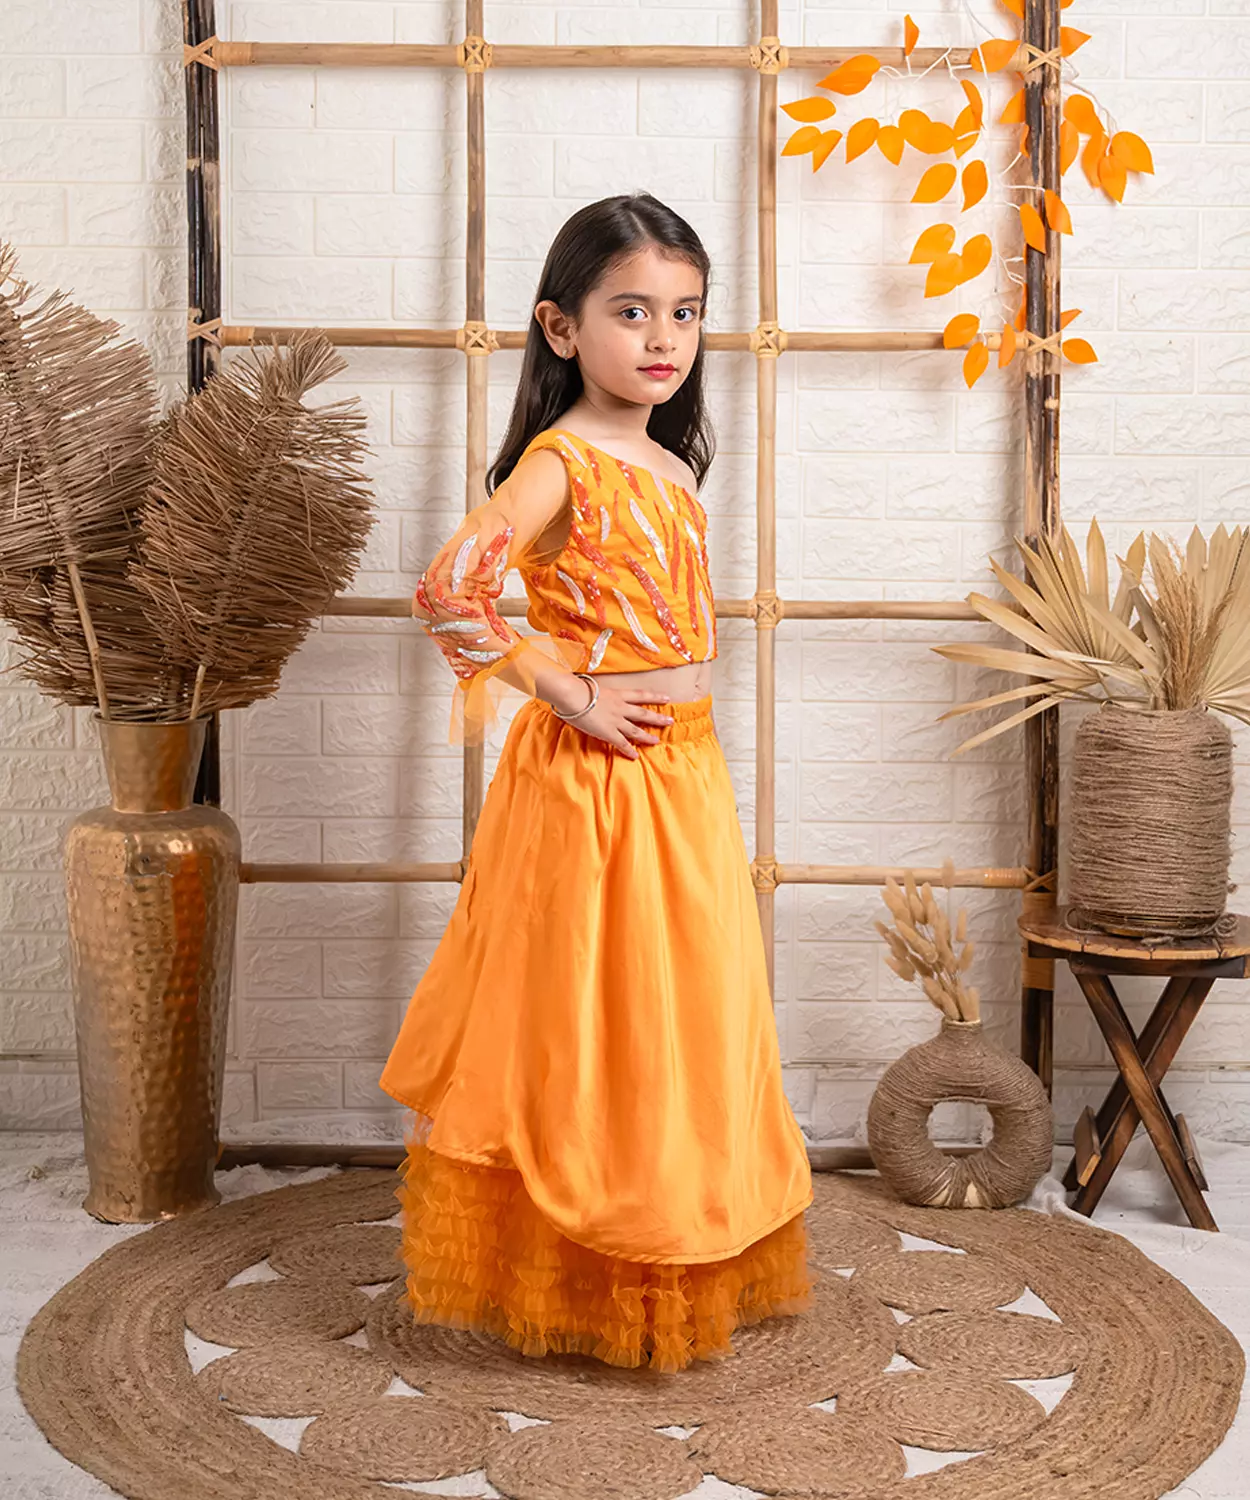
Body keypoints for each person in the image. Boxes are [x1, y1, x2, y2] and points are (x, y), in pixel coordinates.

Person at [378, 192, 813, 1373]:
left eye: (684, 312)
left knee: (685, 1010)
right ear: (561, 328)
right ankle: (587, 1264)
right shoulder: (559, 462)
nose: (662, 337)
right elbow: (448, 591)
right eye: (630, 311)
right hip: (597, 782)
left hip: (682, 771)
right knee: (602, 1016)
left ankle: (671, 1230)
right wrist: (569, 694)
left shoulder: (668, 464)